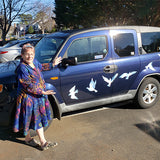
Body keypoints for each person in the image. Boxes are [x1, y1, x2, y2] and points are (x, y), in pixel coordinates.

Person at [13, 43, 62, 150]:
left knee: (33, 119)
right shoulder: (22, 68)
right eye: (27, 54)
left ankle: (34, 140)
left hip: (36, 96)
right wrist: (43, 92)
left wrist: (52, 64)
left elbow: (41, 66)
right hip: (28, 98)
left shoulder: (34, 62)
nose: (30, 56)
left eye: (31, 54)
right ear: (22, 55)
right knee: (31, 119)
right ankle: (37, 141)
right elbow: (28, 85)